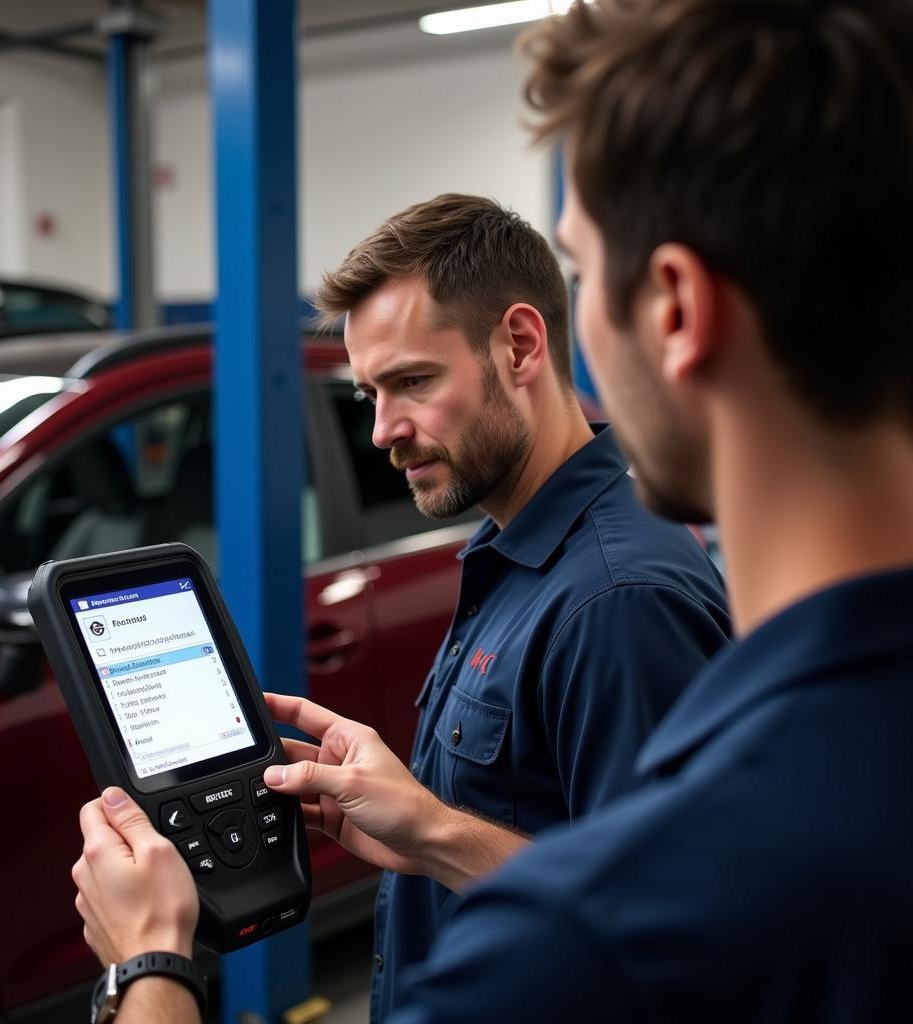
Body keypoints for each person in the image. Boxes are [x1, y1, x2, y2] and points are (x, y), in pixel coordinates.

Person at [74, 0, 913, 1018]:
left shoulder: (621, 621)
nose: (383, 431)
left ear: (676, 311)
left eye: (587, 269)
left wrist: (148, 960)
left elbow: (631, 911)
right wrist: (429, 827)